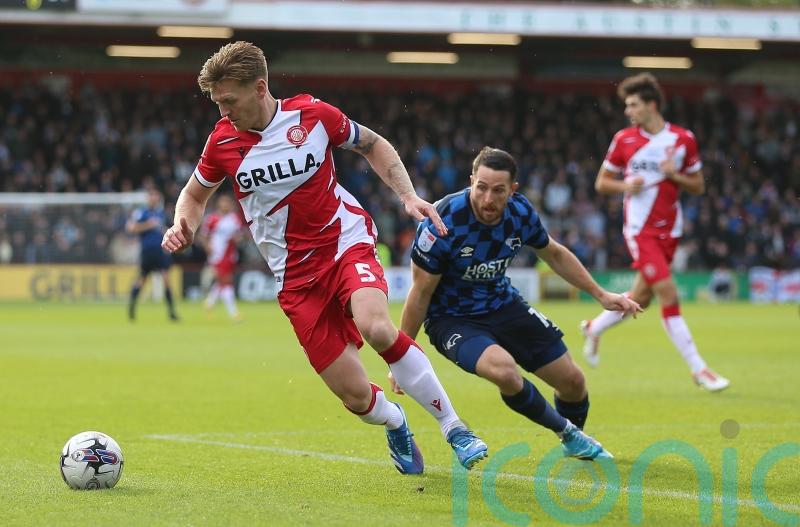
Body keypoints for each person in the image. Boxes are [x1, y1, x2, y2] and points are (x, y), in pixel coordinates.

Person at [161, 41, 487, 474]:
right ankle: (395, 420)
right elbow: (194, 194)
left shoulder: (313, 115)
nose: (223, 112)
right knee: (356, 397)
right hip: (294, 280)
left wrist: (407, 196)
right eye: (217, 102)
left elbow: (373, 144)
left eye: (228, 101)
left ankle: (454, 427)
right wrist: (184, 222)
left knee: (376, 327)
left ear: (259, 88)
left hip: (344, 243)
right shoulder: (222, 142)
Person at [394, 147, 642, 460]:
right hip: (452, 319)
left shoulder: (521, 213)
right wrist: (401, 358)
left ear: (513, 190)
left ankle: (574, 444)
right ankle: (568, 433)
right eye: (480, 187)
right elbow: (420, 293)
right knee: (505, 372)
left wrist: (602, 295)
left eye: (498, 191)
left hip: (503, 304)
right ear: (471, 180)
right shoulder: (443, 221)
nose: (487, 199)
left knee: (573, 382)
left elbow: (554, 253)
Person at [581, 73, 730, 391]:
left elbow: (699, 186)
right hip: (640, 231)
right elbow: (602, 183)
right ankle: (699, 369)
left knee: (642, 296)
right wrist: (625, 184)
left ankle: (594, 328)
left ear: (651, 105)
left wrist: (674, 175)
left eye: (633, 104)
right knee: (668, 294)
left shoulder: (682, 139)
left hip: (670, 230)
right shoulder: (624, 140)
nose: (628, 111)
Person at [126, 187, 179, 322]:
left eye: (156, 196)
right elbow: (131, 227)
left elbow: (166, 228)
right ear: (148, 198)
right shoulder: (141, 212)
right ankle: (131, 308)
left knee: (167, 280)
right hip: (147, 251)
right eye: (151, 196)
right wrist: (148, 225)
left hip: (161, 251)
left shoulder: (161, 213)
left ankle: (172, 312)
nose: (154, 199)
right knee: (142, 280)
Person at [200, 193, 244, 321]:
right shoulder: (212, 218)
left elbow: (239, 235)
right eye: (223, 202)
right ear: (219, 204)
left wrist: (238, 239)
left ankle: (209, 302)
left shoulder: (234, 219)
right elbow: (203, 236)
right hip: (217, 255)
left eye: (227, 202)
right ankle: (233, 313)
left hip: (230, 254)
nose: (225, 205)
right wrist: (207, 246)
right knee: (227, 281)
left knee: (222, 281)